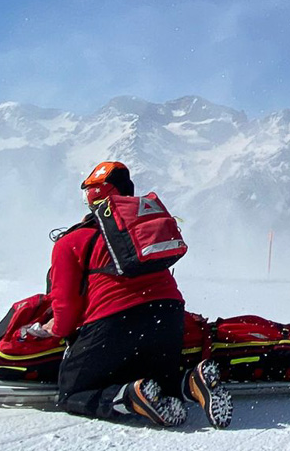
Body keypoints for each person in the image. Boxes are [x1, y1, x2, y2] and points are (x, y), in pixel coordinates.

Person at [27, 161, 232, 428]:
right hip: (168, 317)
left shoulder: (71, 241)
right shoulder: (142, 236)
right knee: (160, 384)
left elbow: (65, 311)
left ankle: (129, 397)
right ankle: (193, 383)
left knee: (73, 392)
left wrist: (51, 330)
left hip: (115, 320)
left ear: (94, 195)